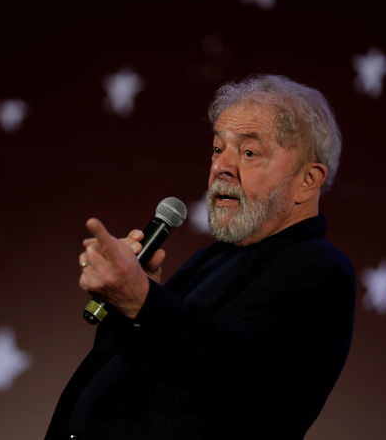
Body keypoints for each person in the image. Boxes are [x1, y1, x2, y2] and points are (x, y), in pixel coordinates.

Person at [45, 74, 356, 440]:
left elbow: (239, 372)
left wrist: (143, 302)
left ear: (308, 180)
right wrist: (130, 300)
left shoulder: (322, 273)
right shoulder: (218, 256)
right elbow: (149, 364)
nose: (221, 167)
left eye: (249, 152)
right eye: (217, 149)